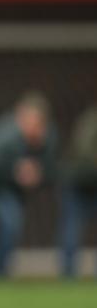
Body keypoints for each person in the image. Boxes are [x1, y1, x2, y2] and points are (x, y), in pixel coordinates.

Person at [0, 91, 57, 278]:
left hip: (17, 192)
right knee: (8, 223)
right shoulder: (4, 136)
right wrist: (15, 171)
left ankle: (0, 271)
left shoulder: (46, 137)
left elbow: (50, 168)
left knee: (10, 226)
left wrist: (38, 170)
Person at [59, 104, 97, 278]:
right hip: (78, 184)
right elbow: (84, 152)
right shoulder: (91, 121)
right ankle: (69, 275)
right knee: (72, 228)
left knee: (71, 228)